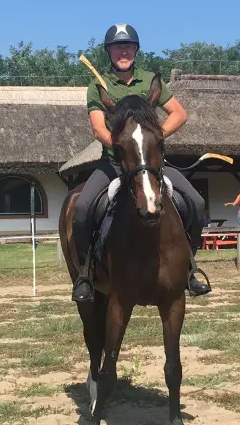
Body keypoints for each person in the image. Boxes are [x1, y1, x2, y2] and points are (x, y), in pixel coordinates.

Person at [70, 23, 211, 303]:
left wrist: (153, 139)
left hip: (153, 164)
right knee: (83, 209)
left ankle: (189, 269)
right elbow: (99, 129)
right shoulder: (98, 85)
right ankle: (85, 274)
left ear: (136, 50)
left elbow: (178, 114)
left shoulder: (150, 80)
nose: (123, 52)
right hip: (113, 164)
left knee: (196, 202)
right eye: (117, 47)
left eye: (129, 47)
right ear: (109, 52)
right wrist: (126, 148)